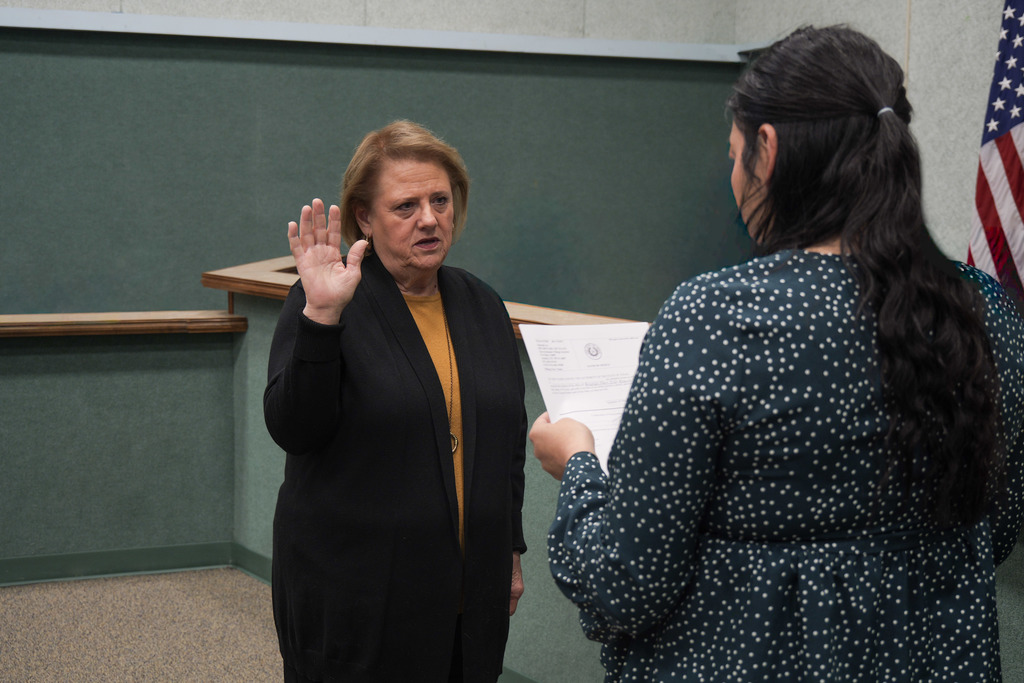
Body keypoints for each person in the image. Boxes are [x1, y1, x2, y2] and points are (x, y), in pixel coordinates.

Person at [529, 25, 1024, 682]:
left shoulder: (718, 315)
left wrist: (581, 465)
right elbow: (995, 527)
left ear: (768, 148)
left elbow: (625, 582)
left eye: (734, 154)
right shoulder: (985, 307)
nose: (734, 175)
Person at [264, 120, 527, 683]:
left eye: (440, 200)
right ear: (364, 217)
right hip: (359, 598)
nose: (429, 218)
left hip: (466, 597)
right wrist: (322, 319)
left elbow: (506, 448)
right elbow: (293, 428)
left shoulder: (482, 305)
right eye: (405, 206)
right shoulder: (327, 302)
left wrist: (510, 550)